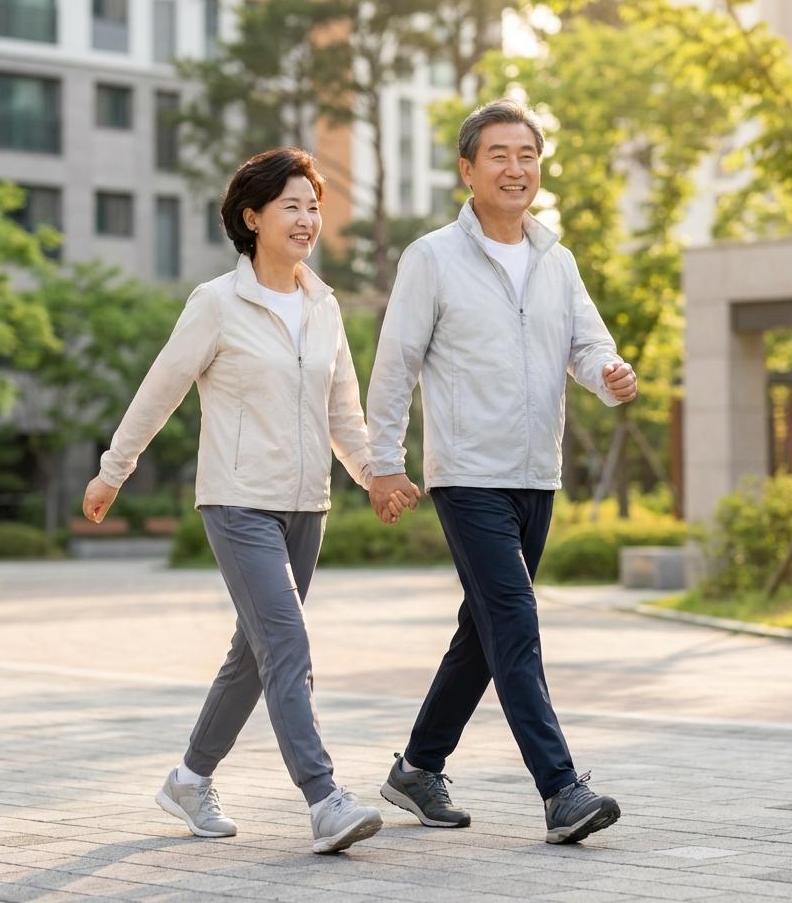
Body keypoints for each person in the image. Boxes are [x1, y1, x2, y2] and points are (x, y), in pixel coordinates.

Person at [82, 147, 417, 854]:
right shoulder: (216, 304)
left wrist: (374, 474)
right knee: (287, 643)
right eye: (291, 205)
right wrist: (114, 469)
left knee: (253, 653)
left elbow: (343, 412)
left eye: (314, 206)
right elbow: (161, 387)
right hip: (237, 502)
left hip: (308, 506)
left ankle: (188, 778)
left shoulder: (323, 306)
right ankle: (324, 799)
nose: (307, 219)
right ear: (251, 217)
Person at [366, 99, 637, 845]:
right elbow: (395, 366)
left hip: (535, 474)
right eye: (499, 155)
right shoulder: (432, 257)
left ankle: (418, 767)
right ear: (468, 169)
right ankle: (562, 790)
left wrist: (608, 373)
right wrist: (383, 463)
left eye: (527, 154)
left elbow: (589, 345)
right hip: (468, 473)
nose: (515, 168)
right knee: (514, 620)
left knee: (485, 632)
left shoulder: (558, 258)